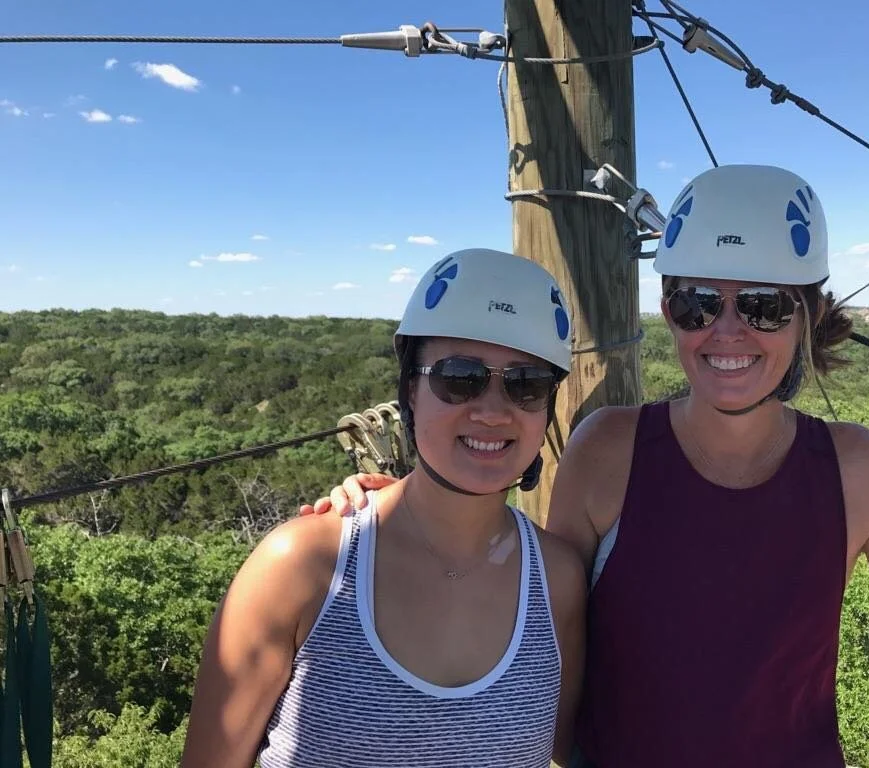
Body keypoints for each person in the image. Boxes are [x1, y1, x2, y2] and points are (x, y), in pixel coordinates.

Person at [303, 165, 869, 766]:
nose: (728, 332)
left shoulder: (856, 470)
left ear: (806, 314)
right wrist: (400, 513)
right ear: (668, 307)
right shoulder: (607, 450)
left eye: (765, 307)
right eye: (698, 302)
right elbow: (527, 621)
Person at [181, 248, 586, 768]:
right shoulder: (302, 567)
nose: (491, 410)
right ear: (411, 390)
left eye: (525, 384)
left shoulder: (558, 581)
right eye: (459, 377)